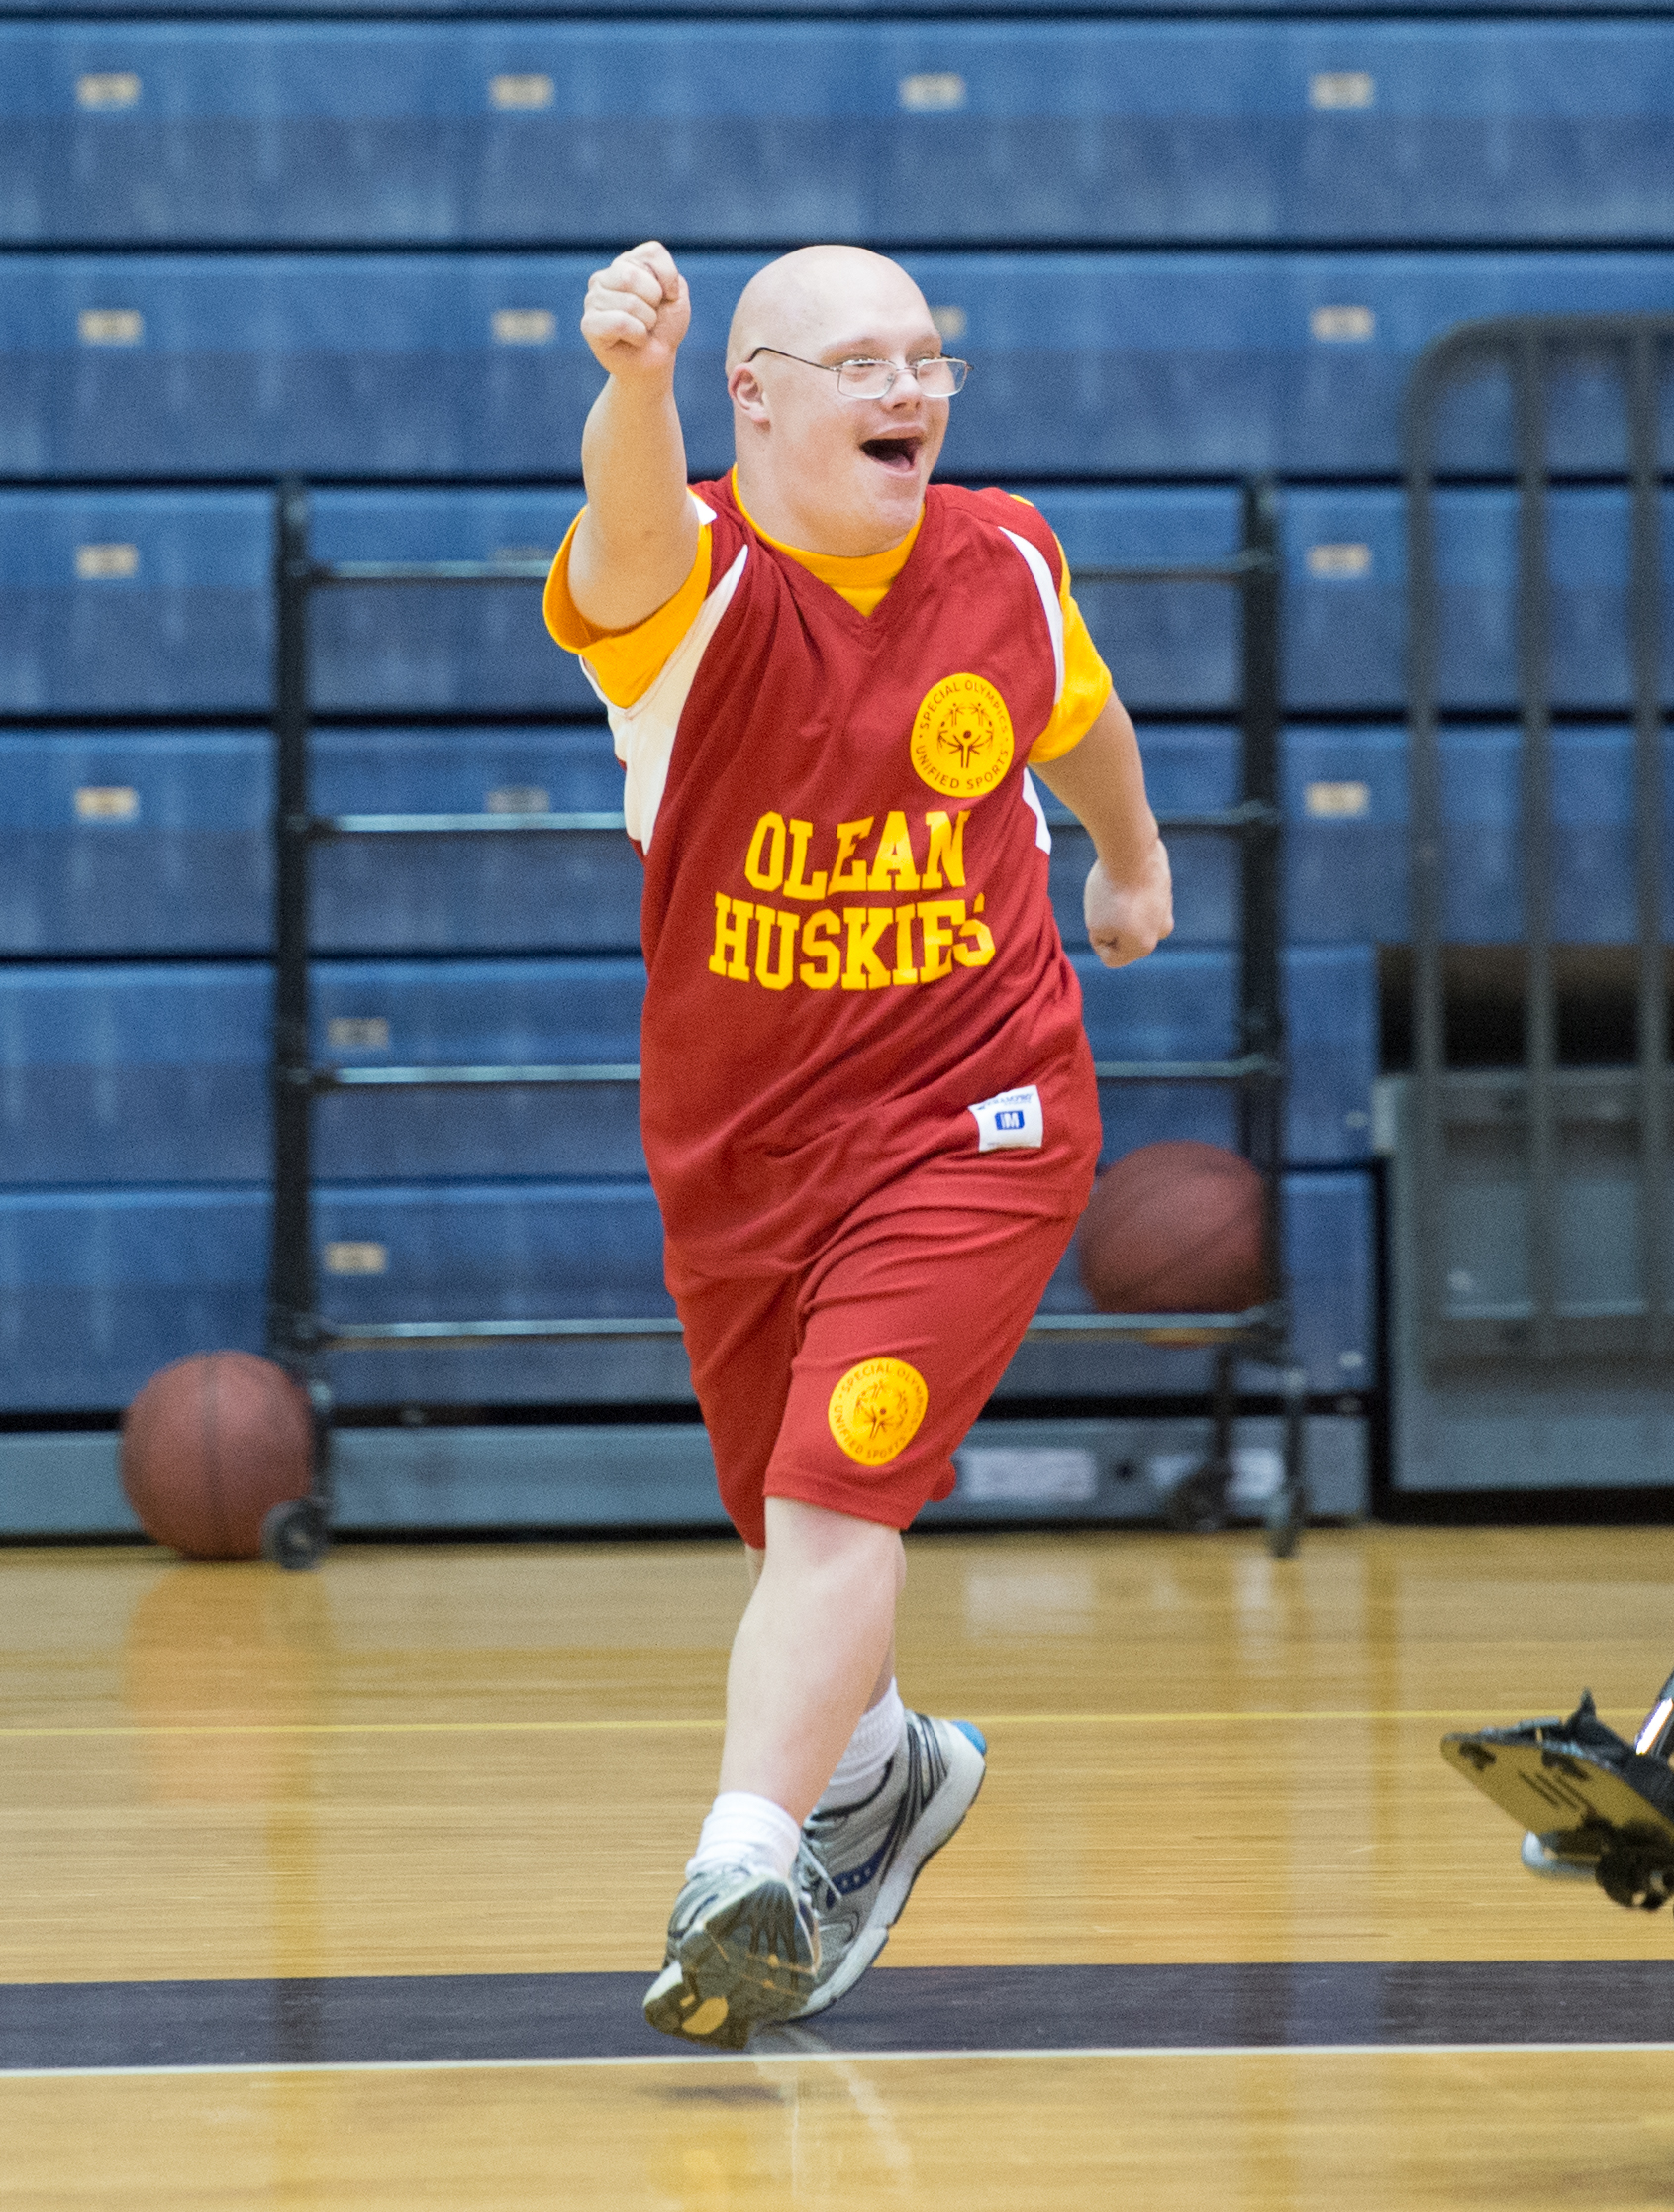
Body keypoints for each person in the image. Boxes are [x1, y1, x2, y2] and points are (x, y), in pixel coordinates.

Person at [549, 240, 1175, 2047]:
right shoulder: (691, 596)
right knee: (787, 1523)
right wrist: (630, 380)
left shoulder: (1005, 557)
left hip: (981, 1114)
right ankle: (885, 1770)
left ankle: (741, 1860)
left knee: (835, 1491)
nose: (908, 389)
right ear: (754, 397)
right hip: (743, 1147)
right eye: (859, 363)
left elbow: (1086, 719)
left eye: (929, 360)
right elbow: (624, 518)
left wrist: (1130, 858)